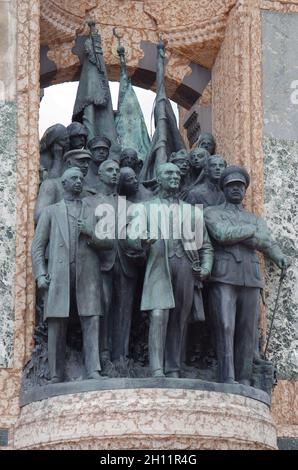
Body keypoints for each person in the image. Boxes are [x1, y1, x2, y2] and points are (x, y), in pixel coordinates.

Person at [126, 162, 214, 377]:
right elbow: (130, 235)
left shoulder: (193, 212)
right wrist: (141, 240)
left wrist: (205, 268)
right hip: (158, 265)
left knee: (179, 318)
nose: (174, 176)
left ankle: (173, 368)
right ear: (158, 178)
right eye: (169, 173)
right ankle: (157, 368)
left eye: (176, 173)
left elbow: (206, 246)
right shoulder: (144, 208)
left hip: (185, 266)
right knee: (158, 314)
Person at [204, 165, 290, 385]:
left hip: (250, 277)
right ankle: (227, 377)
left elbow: (267, 242)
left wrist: (279, 255)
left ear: (245, 190)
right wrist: (251, 233)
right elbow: (222, 234)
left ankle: (243, 378)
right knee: (225, 326)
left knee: (247, 330)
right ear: (223, 188)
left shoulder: (254, 218)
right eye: (232, 186)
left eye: (240, 186)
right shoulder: (212, 213)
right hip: (223, 276)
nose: (236, 190)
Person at [31, 167, 111, 383]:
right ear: (63, 184)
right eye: (73, 178)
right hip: (59, 275)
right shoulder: (51, 212)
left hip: (88, 274)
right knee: (57, 321)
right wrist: (40, 274)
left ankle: (94, 369)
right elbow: (37, 247)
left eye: (80, 179)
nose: (78, 181)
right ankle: (56, 373)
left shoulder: (93, 209)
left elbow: (108, 242)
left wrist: (90, 232)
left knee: (92, 319)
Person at [85, 160, 141, 362]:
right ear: (99, 175)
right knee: (104, 305)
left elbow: (135, 234)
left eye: (117, 171)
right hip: (100, 262)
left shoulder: (130, 206)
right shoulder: (90, 203)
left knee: (125, 308)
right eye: (110, 170)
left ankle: (121, 355)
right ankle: (103, 353)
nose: (115, 173)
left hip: (126, 262)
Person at [34, 149, 93, 223]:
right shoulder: (51, 185)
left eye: (88, 163)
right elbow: (39, 216)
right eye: (82, 162)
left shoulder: (87, 192)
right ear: (69, 163)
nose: (86, 165)